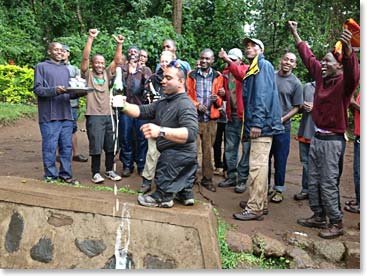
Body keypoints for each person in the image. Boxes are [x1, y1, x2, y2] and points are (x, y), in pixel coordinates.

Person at [289, 21, 360, 239]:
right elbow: (307, 57)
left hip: (333, 141)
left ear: (338, 66)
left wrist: (348, 51)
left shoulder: (343, 83)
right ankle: (318, 216)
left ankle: (336, 222)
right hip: (317, 137)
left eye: (327, 61)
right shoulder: (322, 77)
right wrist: (295, 33)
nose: (322, 63)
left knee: (328, 182)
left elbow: (353, 73)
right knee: (313, 179)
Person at [112, 62, 198, 208]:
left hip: (179, 156)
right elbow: (141, 111)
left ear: (181, 82)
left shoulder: (185, 104)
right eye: (163, 77)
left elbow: (190, 133)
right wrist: (123, 106)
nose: (163, 81)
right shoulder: (165, 102)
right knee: (171, 168)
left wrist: (160, 131)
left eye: (168, 78)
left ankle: (163, 196)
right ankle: (184, 193)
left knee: (165, 169)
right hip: (177, 157)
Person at [232, 38, 284, 221]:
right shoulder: (255, 67)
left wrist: (257, 123)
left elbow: (262, 95)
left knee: (257, 166)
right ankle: (260, 202)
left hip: (263, 125)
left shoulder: (262, 65)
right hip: (262, 123)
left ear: (261, 50)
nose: (249, 48)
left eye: (253, 45)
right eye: (247, 45)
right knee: (260, 165)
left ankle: (254, 208)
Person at [80, 29, 124, 184]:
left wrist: (119, 44)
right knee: (96, 146)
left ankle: (110, 170)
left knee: (110, 145)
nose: (99, 65)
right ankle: (95, 173)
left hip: (108, 115)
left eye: (102, 63)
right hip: (94, 115)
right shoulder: (88, 75)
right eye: (97, 62)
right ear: (93, 64)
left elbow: (117, 61)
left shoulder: (106, 74)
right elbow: (85, 57)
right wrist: (90, 38)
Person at [33, 42, 79, 184]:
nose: (60, 52)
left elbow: (68, 93)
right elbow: (38, 89)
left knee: (66, 147)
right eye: (56, 50)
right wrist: (54, 90)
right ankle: (50, 176)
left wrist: (79, 93)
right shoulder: (41, 67)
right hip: (49, 116)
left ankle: (66, 175)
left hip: (66, 115)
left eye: (62, 50)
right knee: (50, 147)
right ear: (49, 52)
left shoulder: (66, 70)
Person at [187, 48, 224, 192]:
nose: (204, 61)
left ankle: (207, 179)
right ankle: (190, 177)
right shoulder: (191, 75)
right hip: (194, 118)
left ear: (212, 60)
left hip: (211, 119)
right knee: (192, 150)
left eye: (207, 59)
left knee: (208, 151)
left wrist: (217, 99)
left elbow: (221, 97)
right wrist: (196, 105)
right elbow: (186, 94)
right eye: (202, 58)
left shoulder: (218, 76)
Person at [268, 52, 303, 203]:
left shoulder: (296, 83)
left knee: (280, 159)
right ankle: (265, 187)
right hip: (267, 125)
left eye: (291, 61)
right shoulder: (271, 76)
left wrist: (283, 118)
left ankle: (279, 189)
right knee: (265, 157)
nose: (288, 62)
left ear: (295, 65)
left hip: (283, 127)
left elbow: (297, 107)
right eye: (286, 59)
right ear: (280, 60)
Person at [139, 50, 176, 194]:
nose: (164, 64)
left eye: (167, 61)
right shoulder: (153, 78)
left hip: (171, 123)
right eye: (162, 61)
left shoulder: (176, 77)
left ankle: (165, 183)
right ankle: (147, 181)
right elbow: (144, 95)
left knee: (168, 155)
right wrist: (149, 98)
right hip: (156, 120)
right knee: (152, 153)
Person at [217, 48, 251, 194]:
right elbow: (227, 95)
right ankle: (232, 175)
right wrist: (222, 94)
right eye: (229, 59)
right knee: (230, 148)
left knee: (246, 149)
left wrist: (227, 61)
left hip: (245, 118)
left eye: (233, 59)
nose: (230, 62)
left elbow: (241, 76)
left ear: (240, 60)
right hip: (231, 116)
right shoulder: (225, 74)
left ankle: (242, 179)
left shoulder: (246, 69)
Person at [118, 46, 152, 177]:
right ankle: (127, 165)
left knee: (141, 138)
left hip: (141, 109)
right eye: (130, 52)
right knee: (125, 137)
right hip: (125, 109)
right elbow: (117, 87)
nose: (133, 54)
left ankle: (141, 165)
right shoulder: (122, 69)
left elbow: (149, 87)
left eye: (135, 52)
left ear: (139, 55)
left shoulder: (145, 69)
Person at [62, 44, 88, 163]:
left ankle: (75, 153)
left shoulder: (74, 69)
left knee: (72, 128)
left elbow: (80, 84)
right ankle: (60, 154)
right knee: (58, 128)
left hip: (72, 103)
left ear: (68, 53)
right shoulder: (52, 68)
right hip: (58, 102)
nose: (62, 53)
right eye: (60, 51)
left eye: (65, 51)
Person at [294, 81, 316, 201]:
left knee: (320, 164)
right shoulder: (308, 87)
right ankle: (306, 189)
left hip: (321, 134)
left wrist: (315, 107)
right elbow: (299, 107)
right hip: (305, 130)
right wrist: (303, 106)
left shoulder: (332, 87)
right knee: (306, 163)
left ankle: (316, 193)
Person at [344, 91, 360, 213]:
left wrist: (353, 102)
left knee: (360, 171)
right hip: (358, 134)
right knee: (357, 171)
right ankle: (359, 199)